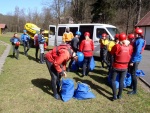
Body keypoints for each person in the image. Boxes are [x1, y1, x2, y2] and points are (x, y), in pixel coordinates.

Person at [111, 33, 133, 100]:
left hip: (116, 66)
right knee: (121, 81)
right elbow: (130, 53)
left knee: (113, 80)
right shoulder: (130, 46)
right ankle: (119, 95)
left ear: (119, 39)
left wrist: (117, 44)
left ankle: (114, 96)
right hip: (125, 67)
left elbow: (112, 52)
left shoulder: (117, 46)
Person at [127, 28, 146, 95]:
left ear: (138, 34)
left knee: (133, 74)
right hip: (134, 58)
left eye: (135, 33)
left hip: (136, 59)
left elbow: (137, 52)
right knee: (132, 73)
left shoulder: (140, 41)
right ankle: (131, 85)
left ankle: (134, 90)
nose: (134, 34)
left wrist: (133, 61)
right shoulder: (137, 39)